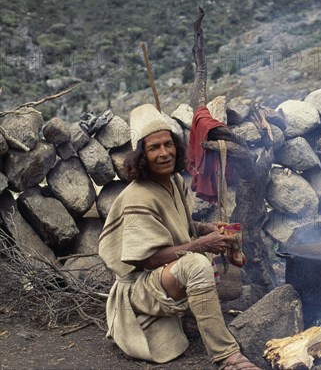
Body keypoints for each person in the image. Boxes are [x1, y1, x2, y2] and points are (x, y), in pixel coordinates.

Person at [98, 104, 259, 369]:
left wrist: (203, 229)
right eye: (154, 148)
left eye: (168, 144)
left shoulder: (175, 182)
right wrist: (199, 244)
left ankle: (188, 317)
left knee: (218, 267)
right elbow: (148, 260)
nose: (164, 153)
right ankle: (227, 357)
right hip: (139, 288)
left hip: (162, 276)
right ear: (141, 156)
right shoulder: (138, 196)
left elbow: (174, 226)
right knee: (196, 263)